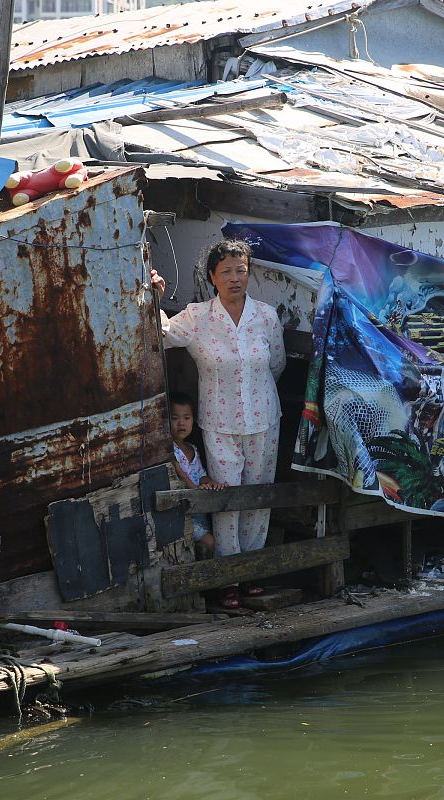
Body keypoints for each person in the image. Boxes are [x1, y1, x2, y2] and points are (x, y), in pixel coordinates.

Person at [150, 239, 286, 609]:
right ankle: (229, 578)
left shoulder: (266, 316)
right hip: (220, 423)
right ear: (212, 276)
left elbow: (276, 364)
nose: (235, 277)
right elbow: (161, 334)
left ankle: (252, 571)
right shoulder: (198, 317)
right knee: (226, 497)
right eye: (226, 271)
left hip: (264, 419)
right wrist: (154, 298)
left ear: (249, 272)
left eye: (240, 269)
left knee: (258, 495)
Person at [169, 390, 221, 561]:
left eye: (186, 418)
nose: (181, 423)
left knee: (213, 541)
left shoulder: (193, 449)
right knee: (209, 541)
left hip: (199, 512)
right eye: (174, 418)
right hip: (183, 514)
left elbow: (201, 476)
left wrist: (210, 483)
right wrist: (195, 488)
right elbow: (183, 479)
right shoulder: (169, 451)